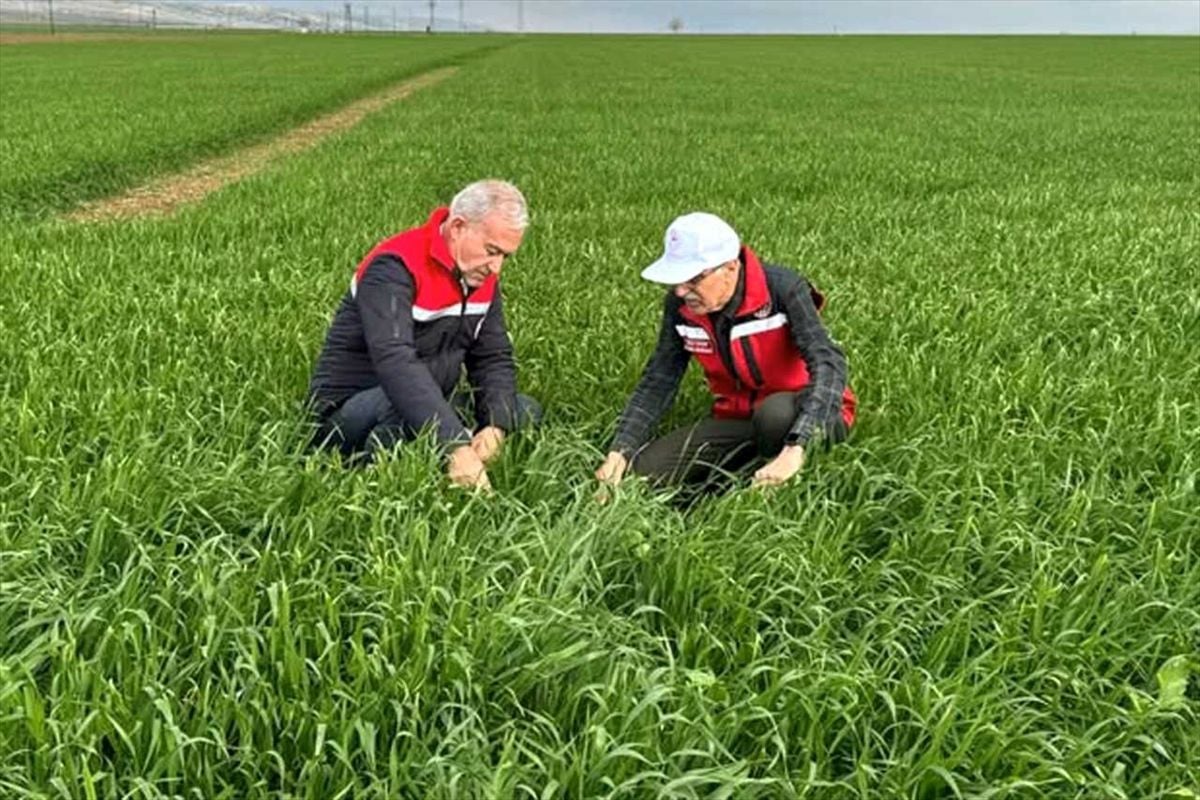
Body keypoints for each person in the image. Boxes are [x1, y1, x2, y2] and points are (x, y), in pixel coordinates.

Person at [595, 212, 856, 496]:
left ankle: (782, 474)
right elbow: (660, 378)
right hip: (738, 417)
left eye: (693, 279)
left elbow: (829, 363)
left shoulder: (783, 290)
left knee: (774, 416)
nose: (681, 291)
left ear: (731, 268)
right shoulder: (681, 306)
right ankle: (742, 474)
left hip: (808, 411)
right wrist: (620, 450)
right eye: (676, 280)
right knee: (642, 475)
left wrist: (796, 446)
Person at [309, 180, 540, 491]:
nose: (496, 267)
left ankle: (442, 456)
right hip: (352, 411)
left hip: (426, 400)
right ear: (458, 227)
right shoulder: (394, 267)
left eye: (505, 257)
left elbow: (493, 356)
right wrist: (454, 444)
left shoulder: (478, 275)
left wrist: (495, 425)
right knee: (400, 409)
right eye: (491, 251)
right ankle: (380, 483)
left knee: (522, 409)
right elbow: (396, 363)